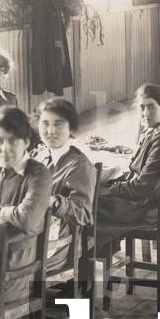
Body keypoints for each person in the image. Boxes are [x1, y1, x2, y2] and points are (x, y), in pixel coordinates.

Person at [0, 106, 53, 302]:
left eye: (12, 141)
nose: (4, 148)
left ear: (26, 142)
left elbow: (29, 219)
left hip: (12, 275)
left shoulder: (38, 174)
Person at [97, 84, 160, 226]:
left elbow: (142, 187)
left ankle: (93, 246)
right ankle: (103, 247)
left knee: (87, 204)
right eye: (142, 108)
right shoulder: (154, 129)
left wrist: (108, 189)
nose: (145, 113)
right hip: (146, 201)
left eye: (151, 107)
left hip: (149, 209)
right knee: (93, 194)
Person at [32, 98, 97, 230]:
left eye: (58, 124)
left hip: (54, 242)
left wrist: (56, 203)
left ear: (71, 128)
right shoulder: (39, 158)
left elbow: (83, 214)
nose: (50, 131)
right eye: (45, 123)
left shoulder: (79, 165)